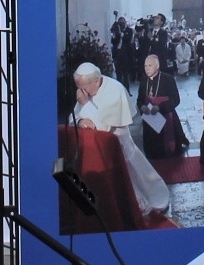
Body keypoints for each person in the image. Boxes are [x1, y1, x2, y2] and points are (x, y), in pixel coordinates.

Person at [70, 63, 171, 224]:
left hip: (118, 145)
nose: (80, 93)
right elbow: (74, 116)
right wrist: (81, 120)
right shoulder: (85, 91)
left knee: (132, 180)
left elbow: (106, 126)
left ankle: (138, 207)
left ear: (96, 81)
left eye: (83, 87)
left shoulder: (115, 90)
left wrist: (86, 105)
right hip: (96, 148)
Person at [136, 52, 188, 161]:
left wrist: (160, 107)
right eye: (145, 66)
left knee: (168, 151)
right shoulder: (144, 80)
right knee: (152, 153)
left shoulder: (168, 79)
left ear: (157, 66)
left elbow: (176, 100)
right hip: (149, 119)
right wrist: (142, 107)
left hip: (166, 117)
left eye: (149, 65)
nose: (147, 69)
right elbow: (140, 99)